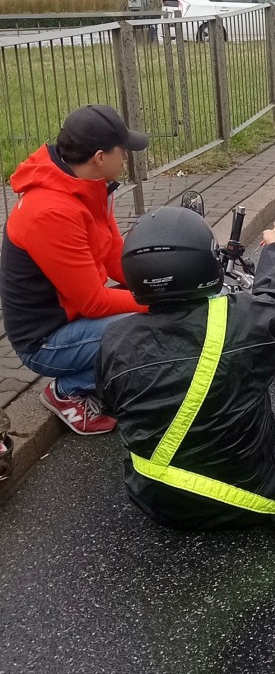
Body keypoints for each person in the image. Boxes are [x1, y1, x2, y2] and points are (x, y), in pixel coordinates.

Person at [95, 208, 275, 530]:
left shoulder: (114, 340)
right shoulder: (243, 320)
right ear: (204, 264)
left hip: (158, 500)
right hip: (249, 493)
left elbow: (111, 403)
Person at [0, 105, 149, 436]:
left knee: (162, 313)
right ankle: (66, 391)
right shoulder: (52, 212)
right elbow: (94, 303)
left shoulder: (86, 185)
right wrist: (156, 304)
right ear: (99, 156)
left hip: (73, 319)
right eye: (121, 150)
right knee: (152, 328)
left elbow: (112, 254)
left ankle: (104, 375)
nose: (125, 156)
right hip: (45, 341)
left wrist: (161, 284)